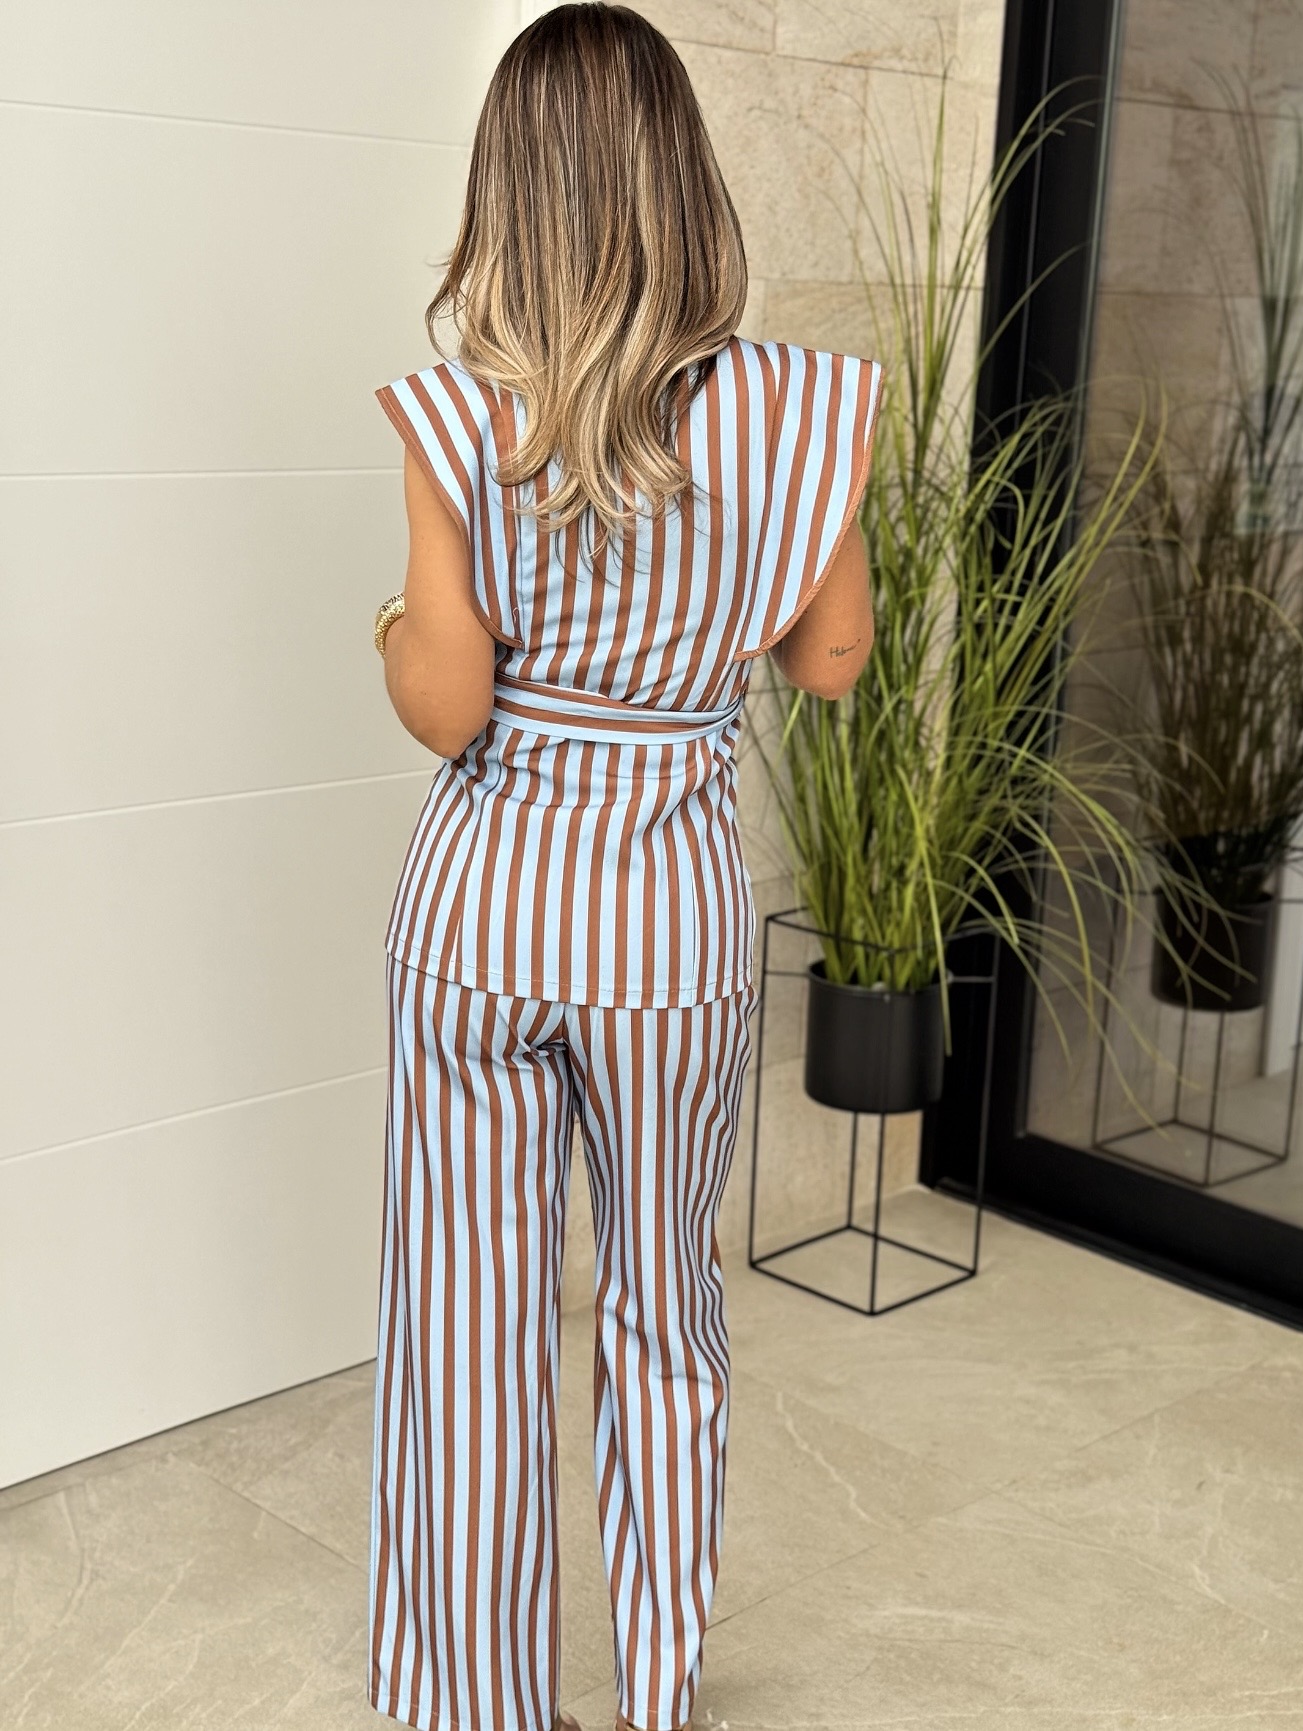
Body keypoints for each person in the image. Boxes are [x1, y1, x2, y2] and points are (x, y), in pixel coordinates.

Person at [366, 7, 882, 1731]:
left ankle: (479, 1707)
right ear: (684, 180)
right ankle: (656, 1700)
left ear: (507, 194)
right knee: (665, 1307)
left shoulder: (460, 419)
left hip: (482, 918)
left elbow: (446, 709)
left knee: (467, 1327)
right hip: (667, 929)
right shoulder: (801, 414)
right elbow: (830, 662)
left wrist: (392, 627)